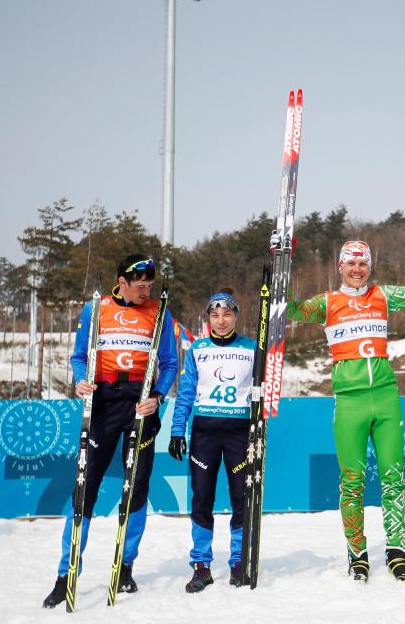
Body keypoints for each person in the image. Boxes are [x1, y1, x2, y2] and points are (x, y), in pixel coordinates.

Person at [283, 222, 405, 582]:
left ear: (369, 267)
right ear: (340, 267)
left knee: (393, 477)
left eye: (363, 264)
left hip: (385, 398)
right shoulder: (328, 303)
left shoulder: (383, 296)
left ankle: (396, 549)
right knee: (353, 481)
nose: (357, 270)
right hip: (350, 402)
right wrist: (282, 263)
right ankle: (357, 553)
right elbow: (291, 310)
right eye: (350, 264)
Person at [42, 255, 179, 608]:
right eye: (140, 285)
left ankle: (126, 564)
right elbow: (78, 356)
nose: (146, 290)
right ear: (122, 281)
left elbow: (169, 363)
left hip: (140, 401)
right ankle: (65, 573)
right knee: (84, 487)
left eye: (150, 284)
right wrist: (81, 381)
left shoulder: (159, 312)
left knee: (136, 486)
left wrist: (158, 397)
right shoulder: (96, 309)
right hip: (102, 402)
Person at [168, 289, 255, 593]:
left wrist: (261, 424)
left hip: (239, 435)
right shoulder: (197, 349)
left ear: (235, 316)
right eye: (215, 315)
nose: (220, 320)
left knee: (241, 500)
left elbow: (265, 391)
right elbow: (186, 392)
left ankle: (238, 561)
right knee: (202, 498)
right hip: (204, 433)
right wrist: (178, 430)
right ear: (208, 318)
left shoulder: (252, 349)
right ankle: (201, 565)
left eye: (227, 314)